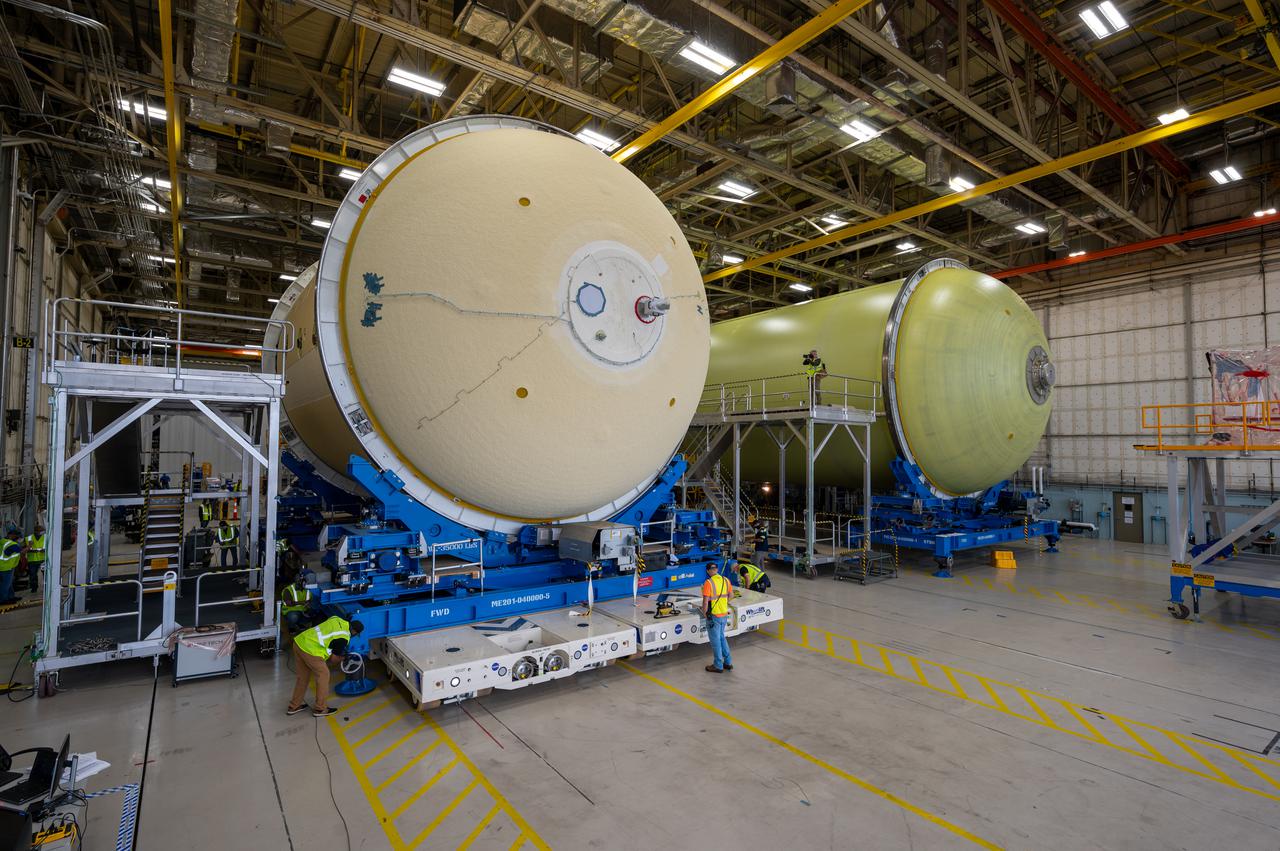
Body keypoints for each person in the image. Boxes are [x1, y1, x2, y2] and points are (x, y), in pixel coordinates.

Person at [288, 615, 363, 717]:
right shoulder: (344, 638)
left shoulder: (336, 618)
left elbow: (328, 636)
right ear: (354, 631)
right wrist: (344, 658)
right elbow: (333, 660)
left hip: (299, 642)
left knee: (303, 677)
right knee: (324, 675)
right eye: (356, 634)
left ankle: (294, 706)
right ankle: (320, 709)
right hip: (311, 650)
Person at [701, 561, 734, 673]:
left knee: (715, 641)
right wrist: (723, 604)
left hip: (714, 616)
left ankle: (718, 665)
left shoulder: (708, 583)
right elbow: (731, 595)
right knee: (721, 638)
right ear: (717, 569)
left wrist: (704, 613)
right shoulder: (726, 580)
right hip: (724, 614)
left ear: (708, 571)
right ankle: (728, 662)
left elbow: (705, 602)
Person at [0, 528, 22, 604]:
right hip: (6, 567)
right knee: (5, 585)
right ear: (11, 535)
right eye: (17, 536)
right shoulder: (11, 544)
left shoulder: (3, 541)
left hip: (5, 566)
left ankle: (10, 597)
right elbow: (20, 551)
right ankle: (3, 600)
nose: (18, 538)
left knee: (9, 584)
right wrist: (29, 547)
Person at [23, 524, 46, 593]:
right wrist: (31, 549)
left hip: (43, 559)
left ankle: (46, 588)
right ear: (36, 531)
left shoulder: (46, 537)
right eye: (40, 531)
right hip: (32, 560)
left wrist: (45, 550)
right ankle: (34, 588)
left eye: (42, 531)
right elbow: (24, 549)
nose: (42, 532)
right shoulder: (28, 538)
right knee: (32, 575)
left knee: (45, 575)